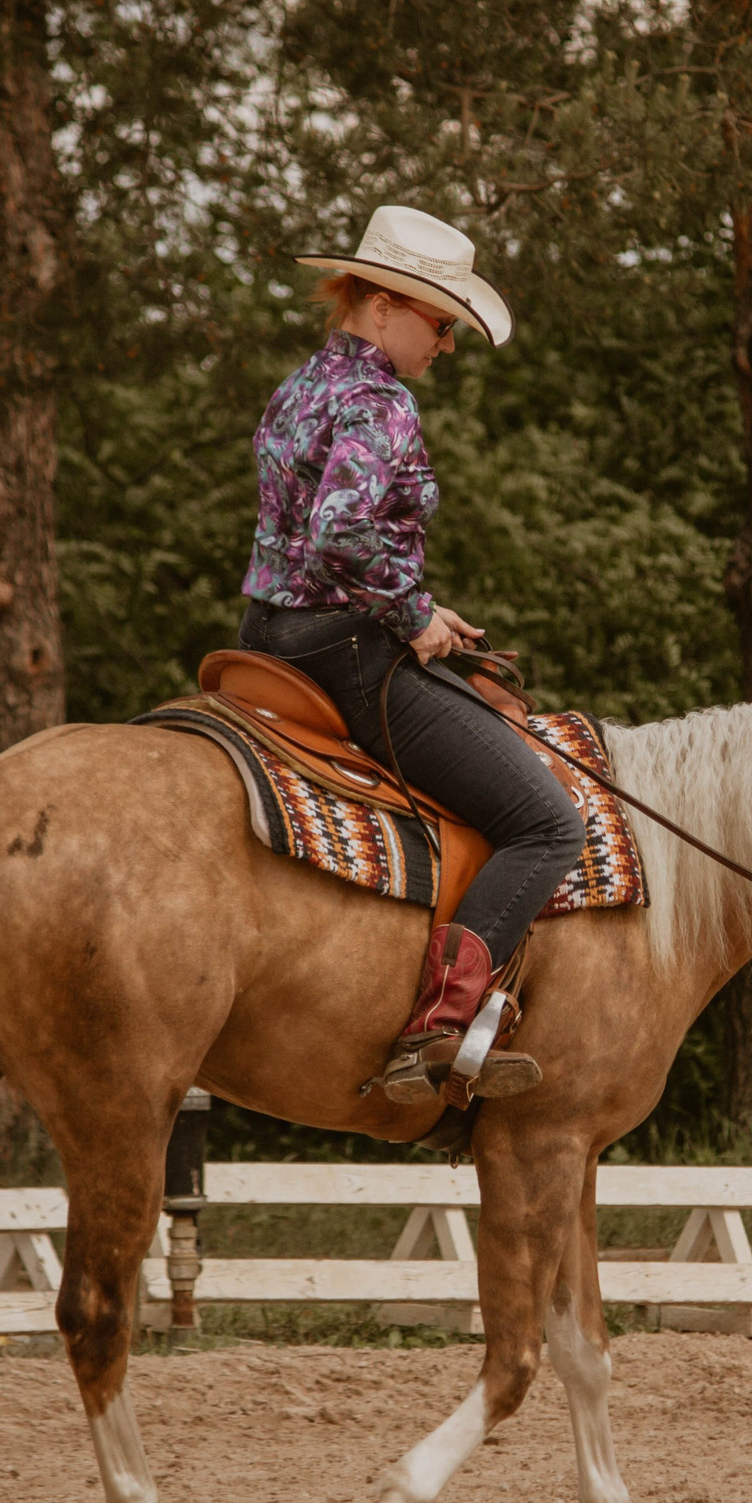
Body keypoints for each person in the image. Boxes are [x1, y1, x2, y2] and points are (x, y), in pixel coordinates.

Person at [237, 205, 583, 1103]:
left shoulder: (302, 385)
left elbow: (307, 541)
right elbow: (341, 531)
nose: (448, 344)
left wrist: (422, 604)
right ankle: (437, 1028)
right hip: (344, 651)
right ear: (385, 305)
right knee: (550, 823)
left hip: (267, 637)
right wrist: (413, 612)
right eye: (441, 322)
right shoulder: (381, 400)